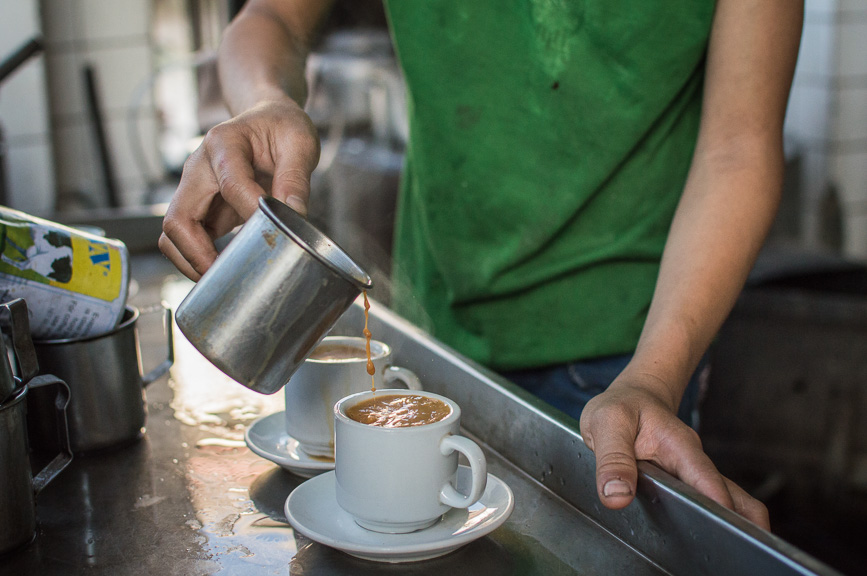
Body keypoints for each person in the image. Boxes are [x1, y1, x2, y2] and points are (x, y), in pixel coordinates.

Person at [160, 0, 804, 531]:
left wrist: (654, 378)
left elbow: (738, 151)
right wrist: (264, 100)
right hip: (435, 333)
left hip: (630, 358)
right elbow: (272, 15)